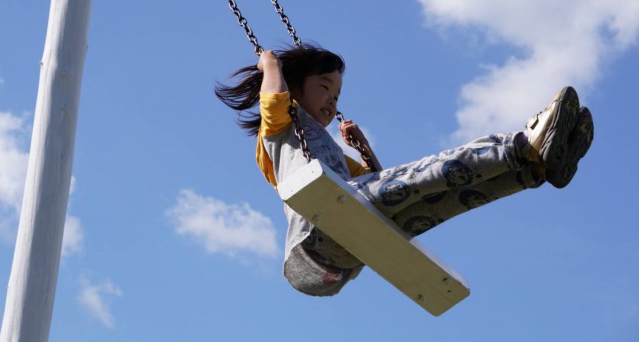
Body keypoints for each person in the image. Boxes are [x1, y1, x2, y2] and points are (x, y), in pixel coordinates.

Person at [215, 43, 594, 296]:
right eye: (325, 87)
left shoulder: (329, 153)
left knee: (443, 197)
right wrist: (271, 64)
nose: (332, 100)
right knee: (431, 171)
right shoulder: (279, 127)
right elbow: (273, 100)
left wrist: (363, 148)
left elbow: (383, 185)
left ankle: (532, 169)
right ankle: (520, 145)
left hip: (345, 249)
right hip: (316, 237)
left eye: (337, 95)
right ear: (294, 87)